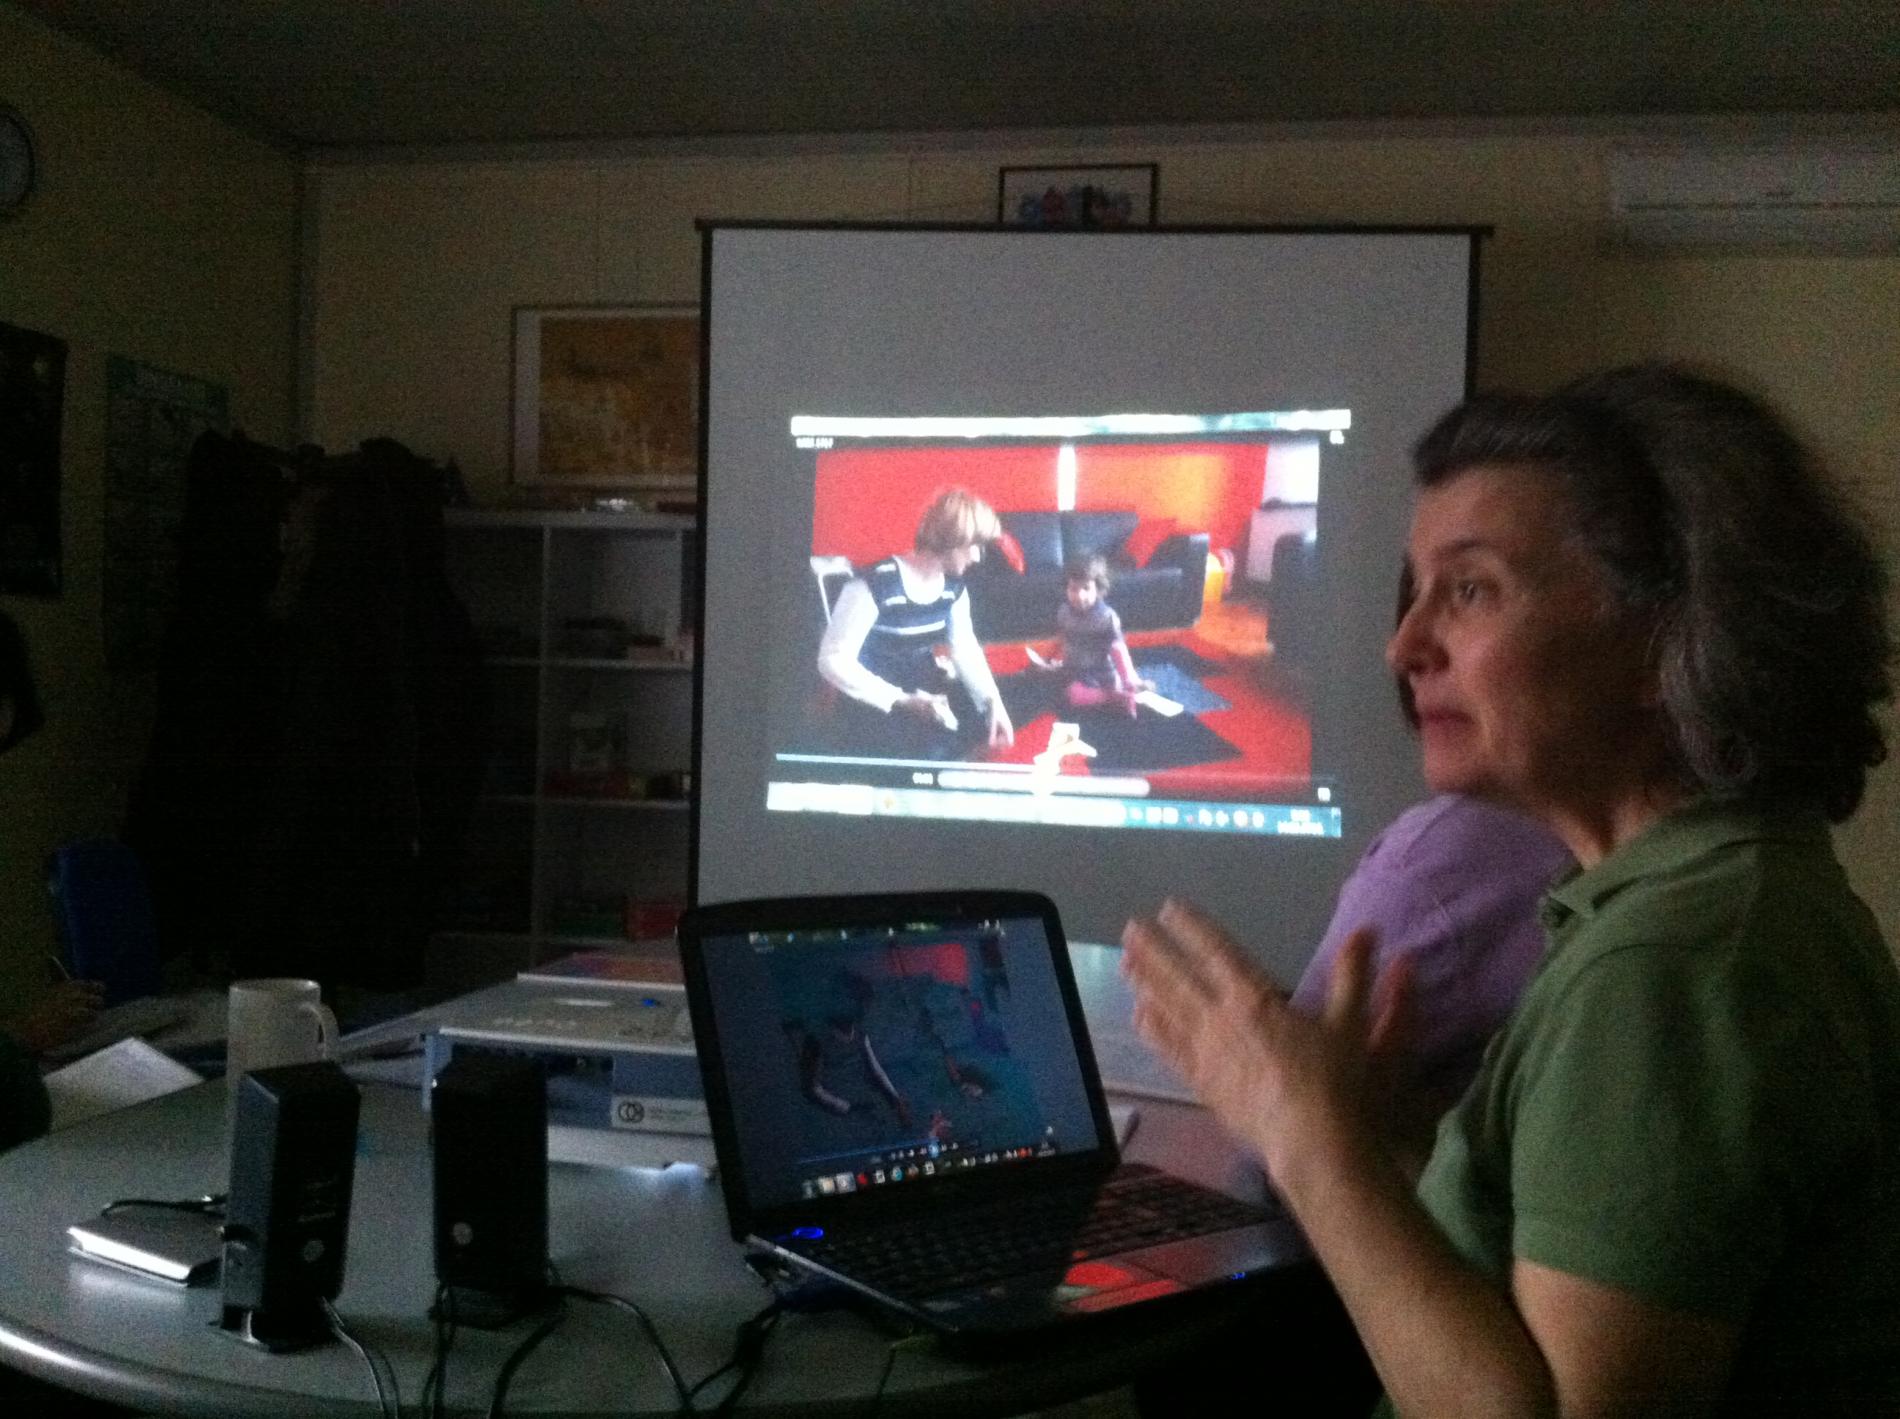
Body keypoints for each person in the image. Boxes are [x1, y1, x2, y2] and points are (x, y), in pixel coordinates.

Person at [1122, 363, 1899, 1415]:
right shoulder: (1708, 899)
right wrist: (1386, 1141)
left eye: (1472, 590)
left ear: (1666, 635)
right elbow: (1535, 1302)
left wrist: (1303, 1136)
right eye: (1416, 592)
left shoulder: (1673, 966)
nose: (1405, 646)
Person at [816, 487, 1015, 758]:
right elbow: (832, 660)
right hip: (874, 703)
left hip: (924, 697)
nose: (978, 557)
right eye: (974, 546)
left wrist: (993, 703)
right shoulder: (876, 583)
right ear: (952, 538)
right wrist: (901, 699)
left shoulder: (954, 589)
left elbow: (965, 650)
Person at [1028, 553, 1155, 717]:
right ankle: (1110, 692)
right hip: (1073, 667)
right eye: (1074, 589)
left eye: (1086, 589)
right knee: (1040, 676)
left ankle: (1118, 695)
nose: (1079, 596)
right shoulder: (1064, 612)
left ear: (1098, 590)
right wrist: (1047, 660)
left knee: (1073, 696)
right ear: (1066, 588)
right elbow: (1062, 639)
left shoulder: (1106, 617)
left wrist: (1129, 678)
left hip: (1099, 673)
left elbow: (1118, 649)